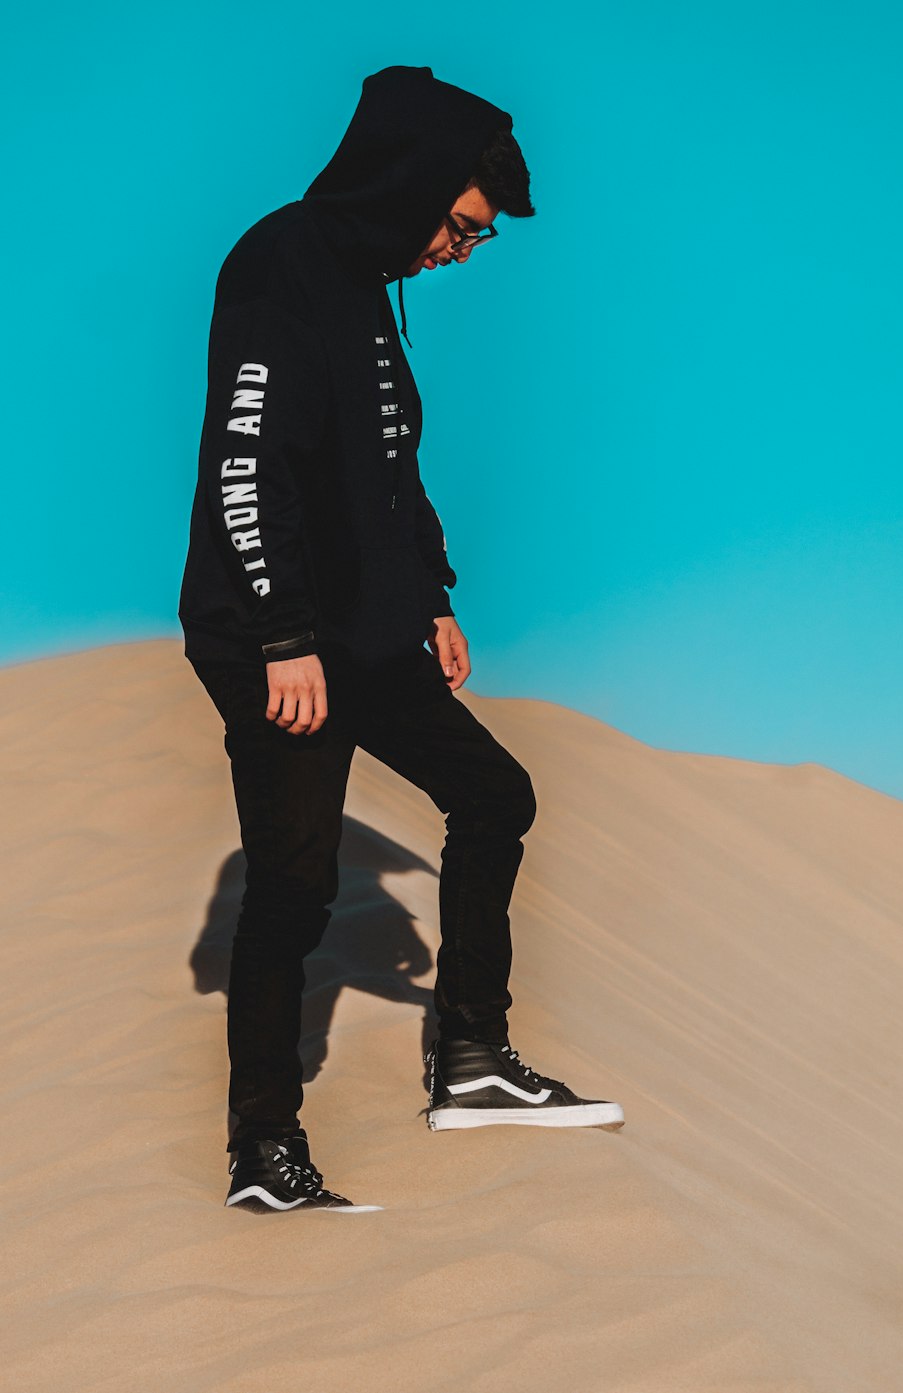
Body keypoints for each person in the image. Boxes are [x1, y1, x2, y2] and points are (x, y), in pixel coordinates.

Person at [178, 64, 624, 1215]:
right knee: (294, 885)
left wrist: (430, 593)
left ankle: (471, 1059)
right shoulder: (280, 261)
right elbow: (247, 464)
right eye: (462, 226)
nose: (462, 251)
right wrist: (282, 634)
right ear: (413, 183)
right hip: (277, 638)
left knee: (495, 795)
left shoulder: (372, 288)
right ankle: (264, 1152)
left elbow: (386, 462)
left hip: (368, 635)